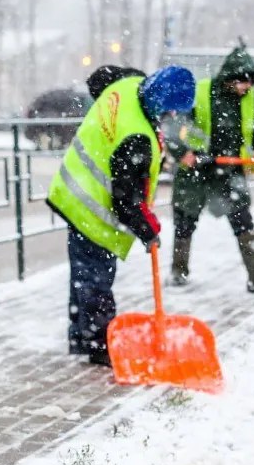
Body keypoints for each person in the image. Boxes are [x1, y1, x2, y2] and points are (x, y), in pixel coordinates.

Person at [46, 65, 196, 366]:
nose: (170, 119)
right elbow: (126, 201)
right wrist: (149, 229)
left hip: (72, 188)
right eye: (169, 113)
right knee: (97, 278)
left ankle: (80, 335)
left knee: (83, 274)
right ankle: (100, 345)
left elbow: (99, 78)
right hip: (92, 207)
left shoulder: (128, 83)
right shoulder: (137, 136)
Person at [165, 42, 254, 293]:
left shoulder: (253, 100)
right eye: (243, 82)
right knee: (185, 220)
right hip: (197, 170)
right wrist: (184, 152)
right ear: (230, 78)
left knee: (243, 221)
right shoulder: (200, 92)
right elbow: (176, 125)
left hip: (229, 171)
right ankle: (178, 271)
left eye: (251, 83)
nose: (247, 87)